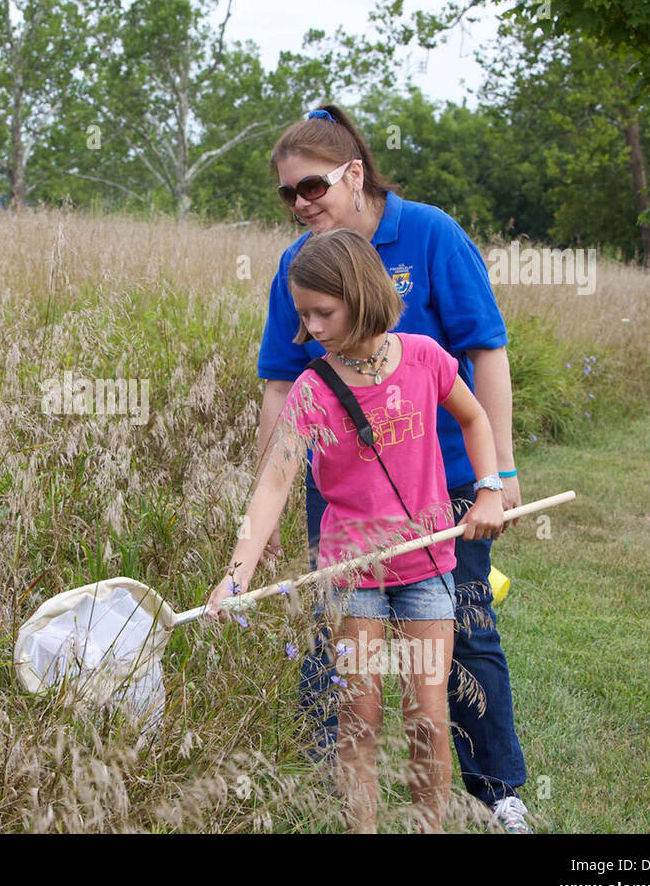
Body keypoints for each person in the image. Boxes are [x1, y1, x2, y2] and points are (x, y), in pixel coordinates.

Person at [252, 104, 533, 833]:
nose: (300, 206)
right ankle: (349, 800)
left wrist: (496, 476)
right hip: (346, 493)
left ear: (352, 174)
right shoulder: (299, 264)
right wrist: (267, 500)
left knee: (462, 636)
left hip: (441, 483)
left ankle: (496, 789)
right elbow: (282, 384)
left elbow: (487, 349)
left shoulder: (431, 233)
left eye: (311, 188)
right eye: (287, 196)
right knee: (347, 660)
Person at [205, 228, 505, 832]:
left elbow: (475, 419)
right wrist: (236, 573)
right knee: (358, 714)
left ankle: (429, 825)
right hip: (350, 573)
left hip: (426, 566)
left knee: (426, 709)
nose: (312, 327)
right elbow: (274, 483)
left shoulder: (424, 358)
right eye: (305, 314)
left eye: (325, 312)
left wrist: (491, 489)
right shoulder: (314, 388)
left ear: (362, 295)